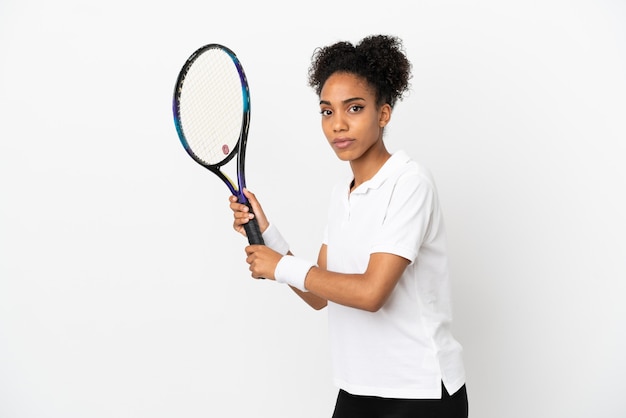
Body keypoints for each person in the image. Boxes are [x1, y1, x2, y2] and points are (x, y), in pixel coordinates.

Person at [229, 34, 468, 418]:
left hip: (419, 393)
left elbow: (372, 293)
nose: (338, 124)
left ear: (383, 114)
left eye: (354, 108)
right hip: (357, 389)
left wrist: (280, 266)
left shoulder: (410, 183)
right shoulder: (344, 194)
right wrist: (269, 235)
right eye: (327, 111)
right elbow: (321, 292)